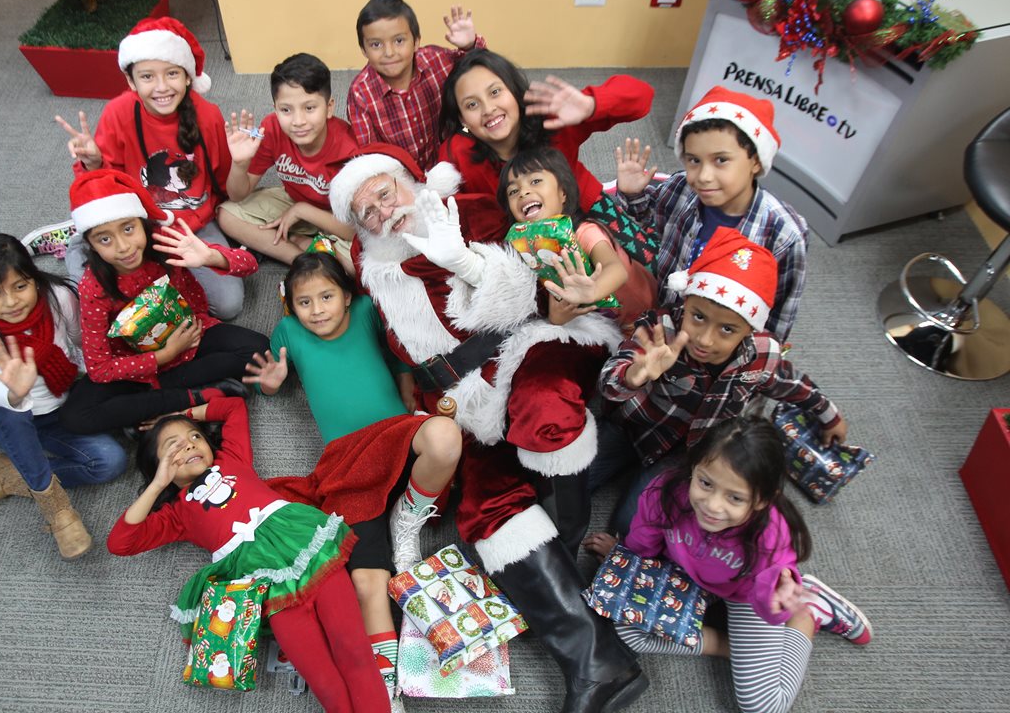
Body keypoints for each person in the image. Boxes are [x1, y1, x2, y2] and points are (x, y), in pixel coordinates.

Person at [329, 144, 648, 713]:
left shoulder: (468, 207)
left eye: (384, 193)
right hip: (462, 401)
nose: (382, 213)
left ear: (409, 181)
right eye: (366, 212)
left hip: (530, 344)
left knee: (541, 410)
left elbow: (534, 280)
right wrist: (417, 390)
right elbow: (403, 338)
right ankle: (598, 665)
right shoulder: (372, 260)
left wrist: (462, 261)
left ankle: (563, 545)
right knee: (482, 508)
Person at [245, 251, 462, 703]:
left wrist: (406, 383)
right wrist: (272, 382)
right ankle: (386, 695)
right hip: (346, 463)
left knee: (445, 437)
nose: (316, 310)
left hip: (396, 434)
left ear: (347, 296)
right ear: (291, 306)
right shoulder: (288, 331)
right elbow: (273, 383)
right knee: (367, 582)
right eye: (304, 302)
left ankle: (407, 520)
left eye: (326, 297)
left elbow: (396, 351)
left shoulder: (365, 310)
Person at [106, 398, 390, 713]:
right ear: (159, 465)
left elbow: (233, 408)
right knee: (321, 678)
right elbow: (120, 543)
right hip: (262, 584)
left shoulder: (231, 458)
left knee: (354, 650)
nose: (188, 444)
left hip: (306, 551)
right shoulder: (175, 515)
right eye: (173, 446)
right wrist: (158, 485)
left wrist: (180, 413)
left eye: (195, 436)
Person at [583, 416, 872, 713]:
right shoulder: (668, 489)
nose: (712, 505)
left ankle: (808, 612)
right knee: (625, 630)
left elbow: (766, 607)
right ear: (694, 467)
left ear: (762, 500)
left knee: (762, 707)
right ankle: (729, 647)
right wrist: (625, 558)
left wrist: (780, 601)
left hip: (745, 595)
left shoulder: (770, 535)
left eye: (735, 497)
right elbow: (646, 536)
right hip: (683, 572)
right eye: (705, 483)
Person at [592, 228, 846, 534]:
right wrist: (634, 374)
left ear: (750, 330)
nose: (705, 339)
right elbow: (607, 383)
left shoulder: (761, 355)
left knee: (629, 525)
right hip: (631, 427)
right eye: (698, 317)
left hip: (688, 455)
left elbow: (789, 383)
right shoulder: (660, 329)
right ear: (686, 302)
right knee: (563, 478)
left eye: (727, 329)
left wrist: (828, 414)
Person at [55, 16, 248, 318]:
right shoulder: (119, 112)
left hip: (190, 225)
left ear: (188, 77)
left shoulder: (208, 115)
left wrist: (241, 164)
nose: (161, 87)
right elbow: (100, 189)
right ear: (131, 81)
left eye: (172, 73)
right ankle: (81, 240)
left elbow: (226, 188)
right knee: (97, 297)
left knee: (228, 305)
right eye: (147, 77)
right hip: (133, 224)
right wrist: (93, 162)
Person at [57, 169, 268, 435]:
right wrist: (162, 356)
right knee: (74, 416)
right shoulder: (93, 285)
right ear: (90, 244)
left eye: (129, 229)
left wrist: (211, 257)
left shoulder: (164, 242)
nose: (123, 247)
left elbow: (249, 265)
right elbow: (99, 368)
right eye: (105, 239)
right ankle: (193, 396)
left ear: (142, 223)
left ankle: (146, 407)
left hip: (190, 337)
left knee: (260, 349)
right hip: (137, 364)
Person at [0, 234, 127, 560]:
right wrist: (14, 392)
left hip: (54, 411)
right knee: (10, 411)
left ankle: (6, 476)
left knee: (111, 461)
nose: (11, 302)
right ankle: (59, 512)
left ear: (34, 277)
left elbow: (84, 342)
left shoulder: (58, 296)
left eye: (20, 286)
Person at [615, 85, 808, 343]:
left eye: (721, 160)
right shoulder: (680, 187)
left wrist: (759, 357)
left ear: (756, 160)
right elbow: (649, 225)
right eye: (694, 160)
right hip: (664, 320)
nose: (704, 176)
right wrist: (633, 195)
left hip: (718, 345)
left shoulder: (783, 233)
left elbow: (778, 316)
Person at [438, 49, 658, 270]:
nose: (488, 109)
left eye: (495, 92)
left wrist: (591, 105)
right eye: (472, 105)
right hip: (522, 238)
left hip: (585, 208)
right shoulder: (457, 152)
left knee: (657, 269)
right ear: (462, 119)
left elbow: (643, 96)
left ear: (514, 90)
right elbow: (448, 216)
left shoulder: (551, 115)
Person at [217, 53, 359, 272]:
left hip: (339, 218)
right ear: (275, 109)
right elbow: (237, 195)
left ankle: (302, 245)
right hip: (292, 201)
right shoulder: (272, 128)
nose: (298, 121)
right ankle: (305, 261)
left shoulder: (349, 149)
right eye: (286, 110)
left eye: (309, 108)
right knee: (226, 216)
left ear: (329, 107)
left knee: (356, 266)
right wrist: (240, 164)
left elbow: (355, 230)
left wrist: (303, 211)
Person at [499, 147, 657, 329]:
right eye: (513, 191)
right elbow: (557, 305)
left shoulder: (585, 232)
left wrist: (592, 291)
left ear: (563, 193)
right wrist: (557, 316)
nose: (523, 192)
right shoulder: (533, 248)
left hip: (647, 308)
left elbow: (617, 270)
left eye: (535, 181)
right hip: (611, 325)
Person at [347, 0, 485, 172]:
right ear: (363, 50)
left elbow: (480, 73)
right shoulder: (360, 93)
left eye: (399, 41)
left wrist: (470, 46)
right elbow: (369, 155)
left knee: (473, 142)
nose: (389, 52)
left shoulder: (435, 60)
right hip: (400, 177)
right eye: (376, 45)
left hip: (449, 163)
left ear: (416, 42)